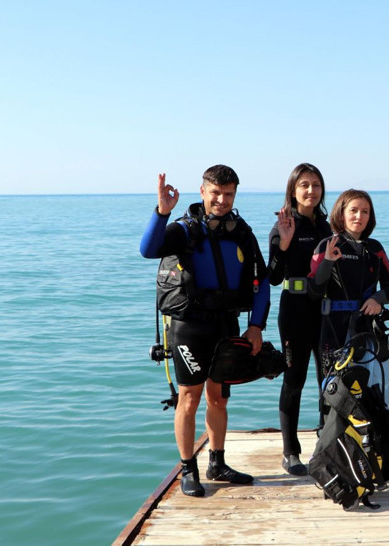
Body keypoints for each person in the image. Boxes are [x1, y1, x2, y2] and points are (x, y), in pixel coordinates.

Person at [139, 165, 270, 497]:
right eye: (215, 192)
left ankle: (218, 462)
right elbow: (148, 249)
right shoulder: (185, 230)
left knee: (218, 398)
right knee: (189, 397)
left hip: (227, 323)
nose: (222, 200)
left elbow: (262, 282)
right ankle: (187, 469)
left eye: (228, 194)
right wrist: (161, 213)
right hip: (189, 327)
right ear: (202, 192)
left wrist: (256, 326)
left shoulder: (241, 232)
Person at [267, 163, 332, 476]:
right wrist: (284, 243)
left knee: (328, 381)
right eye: (304, 185)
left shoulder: (327, 225)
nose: (311, 191)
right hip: (294, 309)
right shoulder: (283, 225)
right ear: (293, 190)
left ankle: (327, 444)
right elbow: (272, 276)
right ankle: (290, 452)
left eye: (316, 185)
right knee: (294, 380)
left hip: (325, 311)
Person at [308, 189, 389, 394]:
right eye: (354, 210)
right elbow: (314, 291)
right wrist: (328, 262)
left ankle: (365, 427)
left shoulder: (375, 248)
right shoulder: (328, 245)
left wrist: (377, 299)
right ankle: (328, 427)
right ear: (341, 214)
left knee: (365, 387)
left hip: (365, 327)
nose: (359, 216)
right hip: (333, 328)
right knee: (332, 389)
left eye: (365, 211)